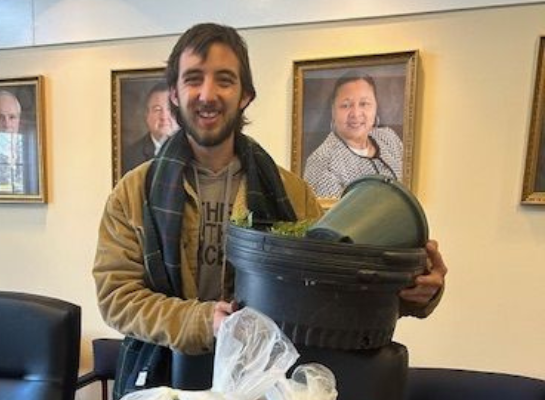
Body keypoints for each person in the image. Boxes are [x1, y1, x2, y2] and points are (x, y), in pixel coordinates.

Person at [93, 23, 447, 399]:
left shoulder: (291, 192)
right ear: (175, 95)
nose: (208, 94)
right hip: (163, 378)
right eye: (193, 79)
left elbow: (331, 289)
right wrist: (202, 321)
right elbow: (118, 296)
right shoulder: (134, 193)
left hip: (267, 383)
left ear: (245, 95)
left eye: (225, 80)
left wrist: (410, 293)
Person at [303, 71, 404, 198]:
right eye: (346, 105)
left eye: (364, 104)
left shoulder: (389, 138)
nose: (356, 114)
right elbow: (336, 217)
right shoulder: (322, 165)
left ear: (375, 107)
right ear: (333, 111)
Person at [122, 82, 179, 173]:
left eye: (170, 109)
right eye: (157, 109)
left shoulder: (196, 151)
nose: (164, 117)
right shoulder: (130, 156)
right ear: (147, 115)